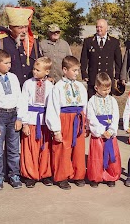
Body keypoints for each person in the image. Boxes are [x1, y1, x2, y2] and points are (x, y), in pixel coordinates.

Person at [0, 49, 26, 190]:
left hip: (13, 115)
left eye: (10, 63)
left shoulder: (13, 78)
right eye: (6, 63)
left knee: (14, 149)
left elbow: (20, 97)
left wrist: (20, 117)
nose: (9, 65)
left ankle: (14, 174)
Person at [46, 56, 88, 190]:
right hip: (64, 118)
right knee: (63, 148)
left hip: (78, 119)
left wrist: (86, 124)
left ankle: (78, 174)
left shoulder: (80, 86)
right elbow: (53, 108)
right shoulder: (57, 87)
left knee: (79, 148)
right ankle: (62, 176)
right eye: (74, 70)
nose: (76, 73)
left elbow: (85, 105)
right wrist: (56, 129)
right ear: (65, 70)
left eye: (78, 70)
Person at [0, 7, 42, 88]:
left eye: (25, 27)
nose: (24, 31)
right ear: (11, 28)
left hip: (31, 87)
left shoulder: (34, 42)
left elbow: (41, 62)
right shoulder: (0, 42)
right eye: (20, 28)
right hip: (8, 89)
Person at [20, 57, 54, 188]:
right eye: (34, 68)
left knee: (44, 148)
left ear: (46, 72)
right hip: (31, 120)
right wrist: (25, 123)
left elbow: (52, 105)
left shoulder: (51, 86)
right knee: (30, 149)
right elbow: (23, 103)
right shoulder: (28, 84)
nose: (34, 71)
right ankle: (30, 175)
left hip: (44, 121)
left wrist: (52, 124)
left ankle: (44, 174)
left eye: (38, 70)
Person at [86, 72, 122, 188]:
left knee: (112, 155)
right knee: (97, 157)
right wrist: (101, 131)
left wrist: (111, 130)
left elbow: (116, 116)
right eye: (104, 90)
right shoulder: (92, 101)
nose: (107, 92)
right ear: (96, 88)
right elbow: (91, 117)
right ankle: (96, 177)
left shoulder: (112, 100)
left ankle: (110, 176)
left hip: (109, 133)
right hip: (99, 133)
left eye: (108, 89)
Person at [80, 19, 122, 98]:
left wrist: (117, 76)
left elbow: (118, 61)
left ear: (106, 28)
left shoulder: (114, 42)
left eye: (101, 27)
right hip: (93, 79)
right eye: (97, 27)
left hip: (107, 79)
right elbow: (84, 59)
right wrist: (84, 73)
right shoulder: (88, 41)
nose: (99, 29)